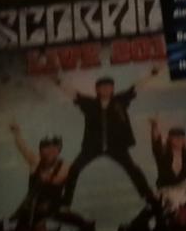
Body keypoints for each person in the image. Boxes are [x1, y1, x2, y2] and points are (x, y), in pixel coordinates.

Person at [56, 66, 163, 207]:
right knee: (74, 170)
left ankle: (149, 197)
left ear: (112, 89)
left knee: (133, 169)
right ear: (97, 90)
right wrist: (58, 81)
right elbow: (73, 93)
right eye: (102, 87)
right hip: (92, 147)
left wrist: (152, 74)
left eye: (109, 87)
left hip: (116, 146)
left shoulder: (120, 101)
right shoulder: (89, 104)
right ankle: (65, 203)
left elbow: (135, 88)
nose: (106, 89)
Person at [4, 123, 87, 229]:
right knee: (12, 227)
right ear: (41, 150)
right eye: (47, 147)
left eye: (55, 147)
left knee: (84, 224)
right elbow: (23, 148)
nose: (51, 150)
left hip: (54, 208)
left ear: (59, 149)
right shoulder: (35, 161)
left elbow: (68, 195)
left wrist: (62, 207)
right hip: (31, 208)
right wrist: (17, 133)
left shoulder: (67, 169)